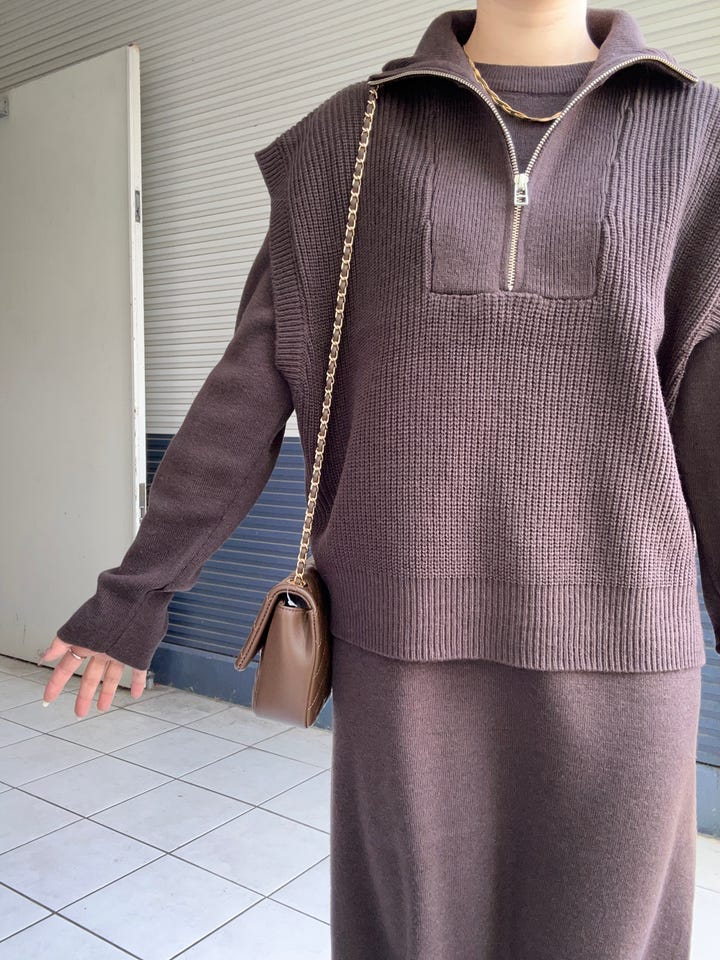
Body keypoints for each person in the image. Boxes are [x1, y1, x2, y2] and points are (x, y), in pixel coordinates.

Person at [40, 2, 720, 958]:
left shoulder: (698, 138)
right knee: (413, 936)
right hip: (405, 651)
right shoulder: (349, 139)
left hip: (625, 651)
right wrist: (136, 590)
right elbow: (248, 390)